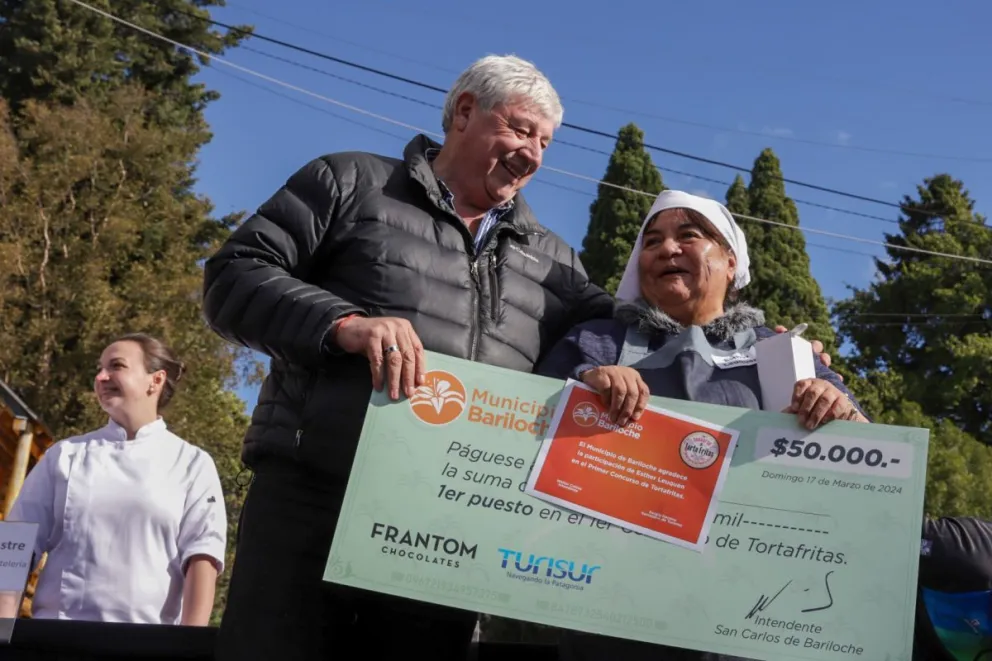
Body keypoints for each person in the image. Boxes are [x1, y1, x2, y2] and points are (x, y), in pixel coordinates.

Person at [202, 55, 836, 660]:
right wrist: (346, 324)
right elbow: (233, 276)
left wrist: (760, 342)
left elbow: (647, 325)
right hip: (315, 491)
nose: (532, 152)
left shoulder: (553, 259)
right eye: (520, 129)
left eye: (546, 142)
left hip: (443, 521)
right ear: (464, 113)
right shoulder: (349, 182)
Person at [536, 189, 869, 660]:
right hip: (613, 610)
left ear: (731, 262)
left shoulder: (783, 354)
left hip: (749, 610)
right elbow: (525, 421)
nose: (666, 249)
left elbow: (870, 459)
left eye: (688, 236)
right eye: (651, 242)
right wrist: (585, 384)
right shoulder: (597, 342)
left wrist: (838, 409)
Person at [1, 333, 226, 626]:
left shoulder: (192, 463)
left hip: (151, 645)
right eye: (99, 368)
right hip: (59, 639)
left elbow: (202, 559)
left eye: (116, 366)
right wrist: (2, 631)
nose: (101, 376)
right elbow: (15, 546)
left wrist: (190, 646)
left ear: (155, 381)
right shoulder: (65, 455)